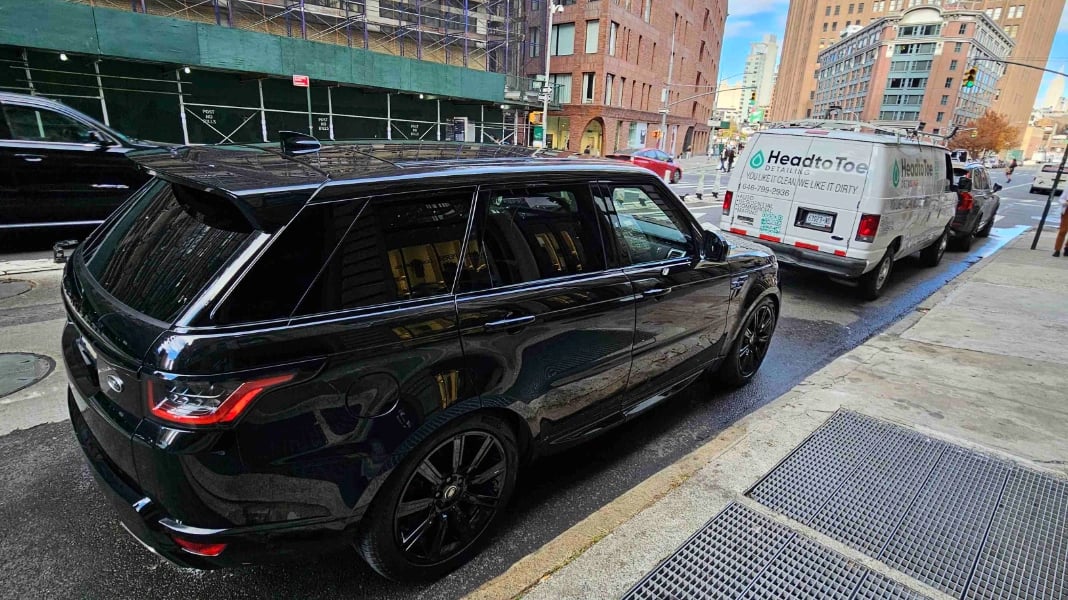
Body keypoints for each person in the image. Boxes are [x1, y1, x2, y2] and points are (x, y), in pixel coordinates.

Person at [1053, 193, 1068, 257]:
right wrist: (1065, 203)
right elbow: (1061, 198)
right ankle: (1057, 250)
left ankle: (1067, 248)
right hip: (1067, 212)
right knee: (1063, 231)